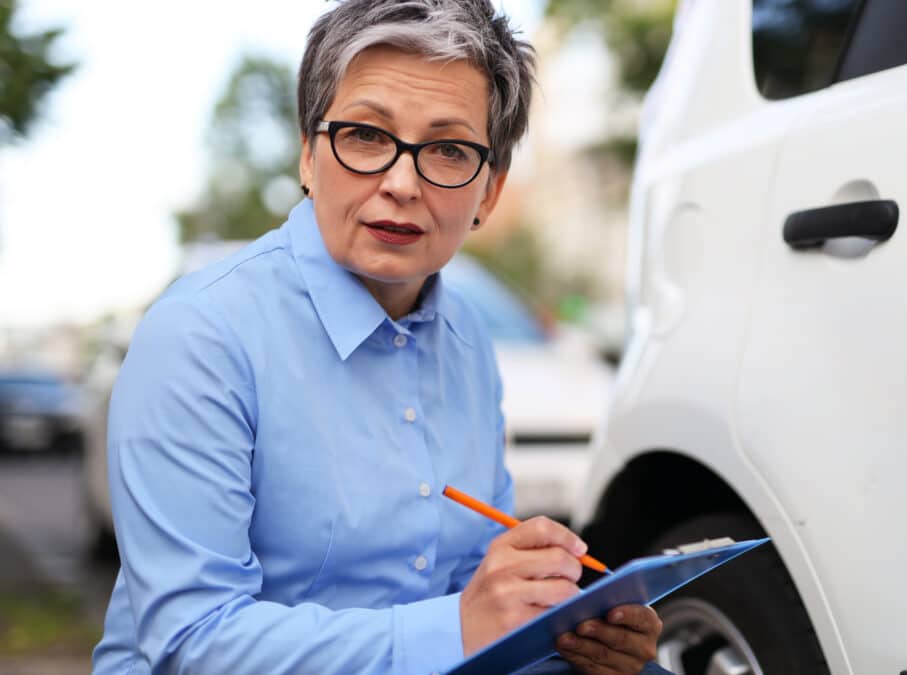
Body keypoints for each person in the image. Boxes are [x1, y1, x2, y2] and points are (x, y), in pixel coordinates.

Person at [91, 1, 667, 673]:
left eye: (449, 150)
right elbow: (193, 641)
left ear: (489, 190)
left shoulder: (468, 340)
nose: (400, 183)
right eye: (365, 135)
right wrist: (460, 625)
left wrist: (563, 632)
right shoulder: (201, 334)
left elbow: (471, 590)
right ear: (308, 154)